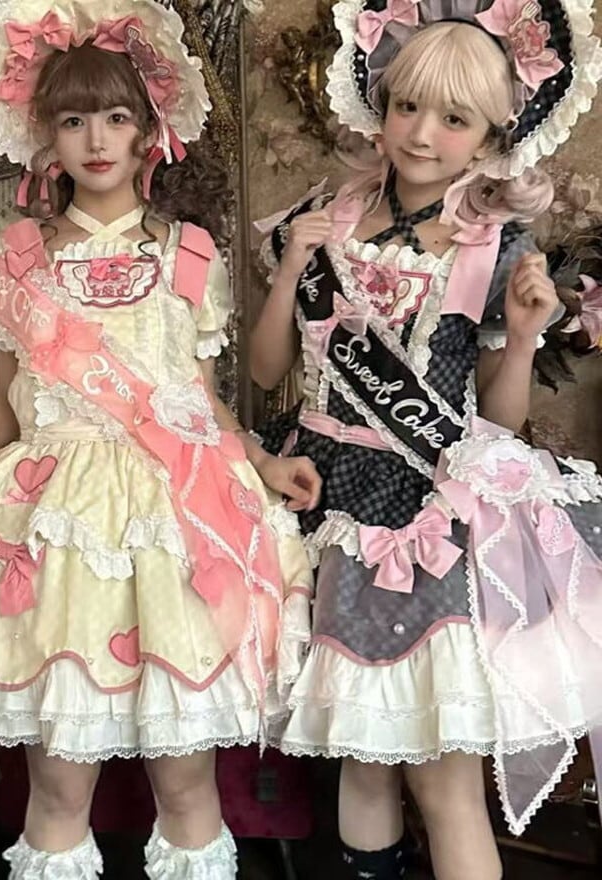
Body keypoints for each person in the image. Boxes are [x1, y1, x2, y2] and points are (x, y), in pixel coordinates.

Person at [0, 0, 316, 876]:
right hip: (57, 527)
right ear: (45, 133)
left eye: (117, 117)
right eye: (74, 119)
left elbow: (198, 401)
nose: (97, 139)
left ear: (150, 128)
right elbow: (8, 406)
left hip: (174, 521)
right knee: (57, 787)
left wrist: (263, 461)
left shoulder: (190, 253)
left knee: (187, 783)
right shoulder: (13, 255)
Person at [251, 2, 602, 879]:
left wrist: (523, 336)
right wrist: (290, 269)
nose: (421, 133)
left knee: (443, 775)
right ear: (380, 102)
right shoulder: (321, 218)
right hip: (315, 495)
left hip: (422, 514)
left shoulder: (495, 248)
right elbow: (265, 372)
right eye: (408, 106)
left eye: (454, 119)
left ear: (491, 135)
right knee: (363, 757)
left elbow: (500, 421)